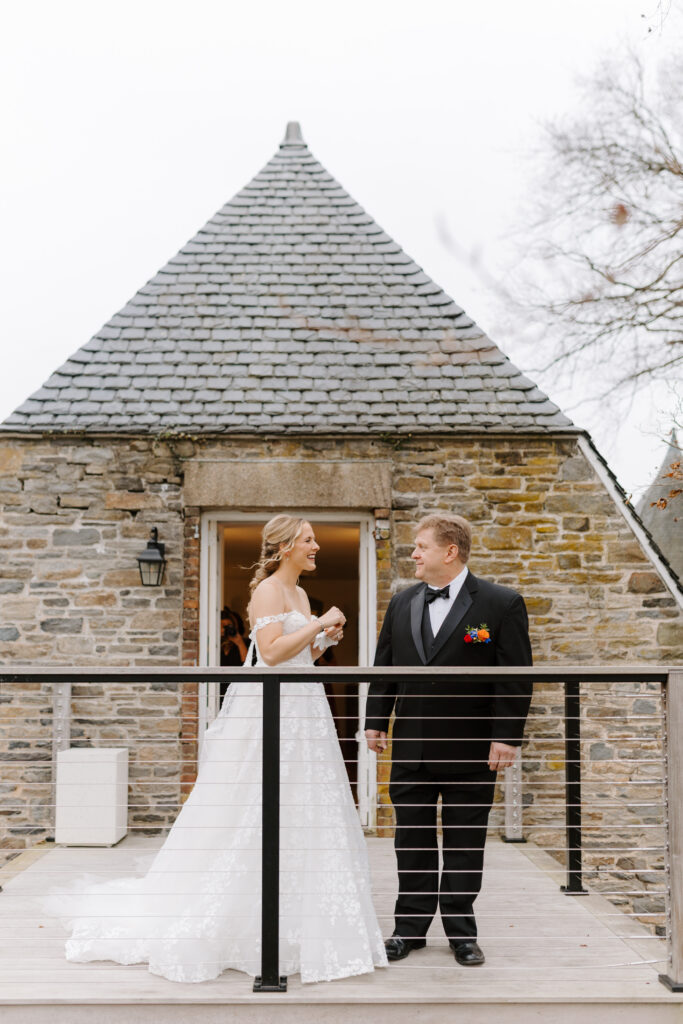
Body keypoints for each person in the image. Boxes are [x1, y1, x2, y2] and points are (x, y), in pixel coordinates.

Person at [50, 515, 387, 984]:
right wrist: (320, 624)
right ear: (285, 547)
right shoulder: (268, 590)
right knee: (256, 803)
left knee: (301, 804)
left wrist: (321, 640)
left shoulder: (301, 594)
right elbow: (270, 654)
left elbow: (295, 656)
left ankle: (299, 923)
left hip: (305, 710)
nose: (316, 547)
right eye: (308, 540)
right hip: (273, 710)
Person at [365, 512, 532, 967]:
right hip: (412, 748)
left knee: (465, 843)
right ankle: (408, 930)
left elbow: (516, 677)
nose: (414, 554)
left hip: (472, 750)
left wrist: (506, 737)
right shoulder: (401, 603)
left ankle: (462, 934)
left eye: (421, 546)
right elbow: (385, 666)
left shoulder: (501, 604)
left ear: (450, 551)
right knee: (411, 842)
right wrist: (376, 720)